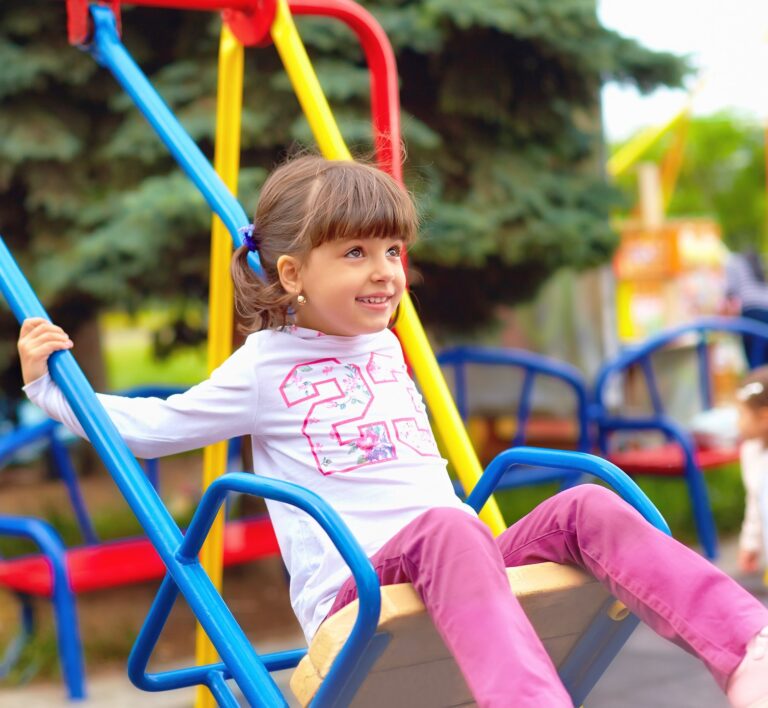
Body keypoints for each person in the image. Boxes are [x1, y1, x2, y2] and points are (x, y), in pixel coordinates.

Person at [17, 155, 768, 707]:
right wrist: (52, 388)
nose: (384, 272)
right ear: (291, 275)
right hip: (359, 583)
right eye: (354, 253)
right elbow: (154, 427)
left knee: (591, 507)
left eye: (391, 252)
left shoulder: (385, 342)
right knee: (447, 524)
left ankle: (746, 650)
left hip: (454, 553)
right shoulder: (265, 365)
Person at [735, 367, 768, 583]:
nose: (736, 422)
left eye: (741, 414)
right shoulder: (751, 452)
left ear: (764, 416)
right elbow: (754, 502)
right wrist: (750, 543)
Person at [725, 249, 768, 368]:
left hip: (752, 312)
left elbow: (730, 292)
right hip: (766, 311)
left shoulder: (733, 261)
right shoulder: (757, 262)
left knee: (755, 362)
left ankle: (756, 380)